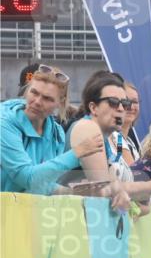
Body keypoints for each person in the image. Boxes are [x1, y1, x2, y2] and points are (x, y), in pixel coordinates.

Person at [67, 71, 151, 210]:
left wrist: (140, 197)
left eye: (125, 103)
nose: (122, 108)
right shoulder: (88, 128)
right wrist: (149, 186)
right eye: (113, 102)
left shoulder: (110, 137)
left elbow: (110, 187)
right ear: (93, 107)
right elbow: (103, 187)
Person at [1, 65, 103, 195]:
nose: (37, 101)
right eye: (34, 92)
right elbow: (27, 178)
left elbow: (42, 183)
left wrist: (74, 192)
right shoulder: (4, 123)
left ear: (60, 102)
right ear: (26, 91)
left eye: (47, 98)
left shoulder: (57, 133)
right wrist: (76, 153)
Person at [119, 82, 142, 164]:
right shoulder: (114, 138)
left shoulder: (130, 142)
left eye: (135, 102)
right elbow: (133, 171)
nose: (131, 107)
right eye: (126, 101)